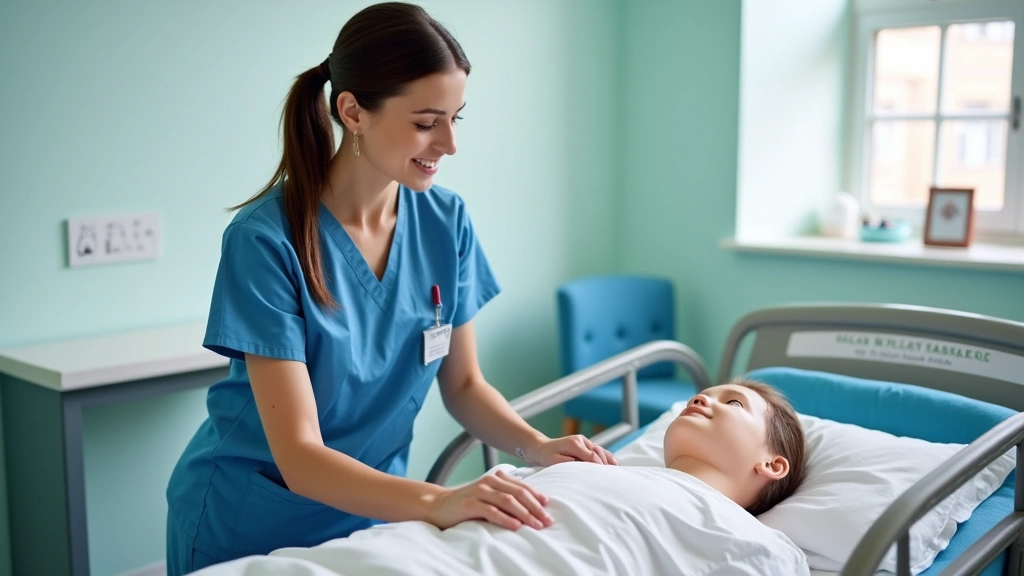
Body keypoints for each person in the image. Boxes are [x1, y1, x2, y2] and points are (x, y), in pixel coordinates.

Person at [164, 3, 617, 574]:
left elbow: (467, 385)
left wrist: (536, 446)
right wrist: (441, 501)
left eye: (458, 118)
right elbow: (301, 457)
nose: (449, 143)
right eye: (427, 122)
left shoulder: (444, 220)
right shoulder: (265, 240)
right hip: (254, 520)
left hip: (375, 513)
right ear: (353, 112)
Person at [186, 380, 809, 576]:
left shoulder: (749, 541)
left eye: (732, 403)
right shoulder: (592, 468)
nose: (704, 397)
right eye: (706, 390)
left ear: (771, 465)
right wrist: (539, 450)